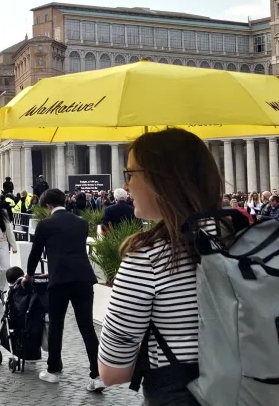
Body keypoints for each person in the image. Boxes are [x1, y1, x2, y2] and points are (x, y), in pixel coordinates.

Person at [98, 129, 229, 404]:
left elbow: (112, 372)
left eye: (131, 173)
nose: (128, 184)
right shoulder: (245, 238)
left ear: (159, 181)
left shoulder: (148, 257)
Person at [24, 188, 101, 389]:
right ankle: (97, 375)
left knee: (56, 325)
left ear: (48, 205)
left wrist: (30, 275)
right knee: (87, 327)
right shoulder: (82, 223)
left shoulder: (45, 224)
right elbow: (71, 250)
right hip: (83, 278)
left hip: (59, 280)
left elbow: (35, 253)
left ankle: (53, 371)